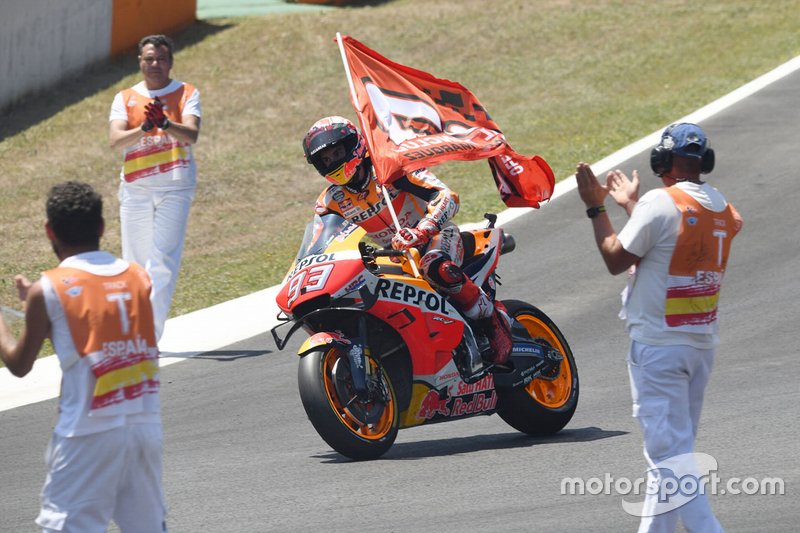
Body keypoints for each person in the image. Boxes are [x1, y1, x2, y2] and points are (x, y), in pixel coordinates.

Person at [575, 123, 742, 532]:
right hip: (699, 346)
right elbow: (667, 243)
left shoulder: (658, 203)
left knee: (670, 460)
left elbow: (617, 259)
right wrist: (632, 206)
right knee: (672, 456)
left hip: (658, 350)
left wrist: (595, 206)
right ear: (705, 162)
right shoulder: (724, 210)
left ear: (661, 161)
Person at [0, 182, 166, 532]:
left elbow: (18, 364)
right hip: (143, 427)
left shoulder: (50, 289)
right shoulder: (138, 277)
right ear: (102, 227)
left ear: (49, 230)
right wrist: (40, 306)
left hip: (86, 435)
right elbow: (96, 321)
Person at [303, 116, 512, 363]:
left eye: (337, 152)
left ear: (354, 145)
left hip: (436, 234)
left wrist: (423, 229)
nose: (332, 162)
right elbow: (321, 243)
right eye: (325, 159)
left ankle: (492, 321)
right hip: (391, 254)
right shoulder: (329, 202)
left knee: (435, 266)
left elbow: (447, 196)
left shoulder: (389, 167)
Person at [109, 33, 201, 340]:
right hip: (135, 188)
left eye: (161, 59)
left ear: (171, 61)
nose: (155, 64)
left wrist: (165, 123)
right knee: (134, 264)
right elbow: (115, 140)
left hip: (175, 186)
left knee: (162, 262)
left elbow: (190, 134)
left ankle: (149, 335)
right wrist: (145, 127)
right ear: (140, 61)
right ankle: (136, 329)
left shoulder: (187, 92)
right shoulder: (125, 98)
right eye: (149, 59)